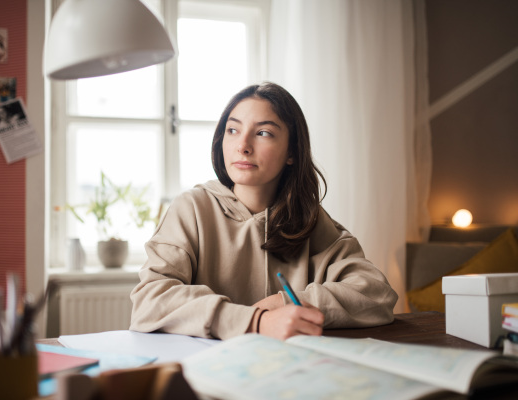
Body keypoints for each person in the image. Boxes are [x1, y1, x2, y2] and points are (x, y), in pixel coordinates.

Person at [130, 82, 398, 341]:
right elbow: (149, 301)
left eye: (263, 133)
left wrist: (286, 303)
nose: (242, 146)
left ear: (292, 151)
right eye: (233, 130)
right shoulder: (192, 209)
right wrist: (256, 321)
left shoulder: (310, 220)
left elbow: (377, 295)